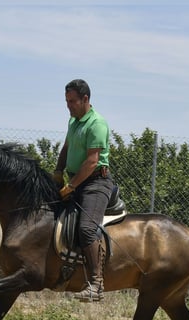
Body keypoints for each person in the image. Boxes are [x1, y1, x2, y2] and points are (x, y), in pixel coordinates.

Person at [53, 79, 116, 302]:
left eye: (72, 101)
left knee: (87, 228)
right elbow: (67, 147)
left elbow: (92, 162)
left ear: (85, 99)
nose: (68, 106)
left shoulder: (97, 124)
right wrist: (58, 171)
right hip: (77, 181)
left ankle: (96, 285)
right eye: (66, 101)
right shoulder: (74, 122)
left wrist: (71, 186)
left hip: (95, 184)